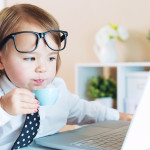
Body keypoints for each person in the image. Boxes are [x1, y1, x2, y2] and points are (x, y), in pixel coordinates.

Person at [0, 3, 132, 150]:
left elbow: (84, 110)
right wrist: (4, 109)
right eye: (30, 58)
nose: (42, 68)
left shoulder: (57, 89)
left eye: (51, 58)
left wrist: (120, 117)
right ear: (1, 61)